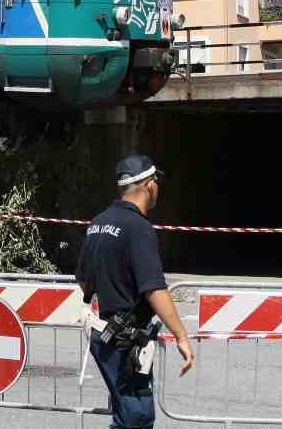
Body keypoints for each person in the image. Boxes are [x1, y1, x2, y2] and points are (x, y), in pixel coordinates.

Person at [76, 155, 194, 429]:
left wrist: (112, 292)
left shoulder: (98, 223)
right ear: (150, 185)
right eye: (157, 182)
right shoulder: (139, 228)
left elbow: (84, 280)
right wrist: (181, 336)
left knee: (125, 414)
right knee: (136, 417)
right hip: (126, 342)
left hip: (103, 335)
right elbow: (154, 288)